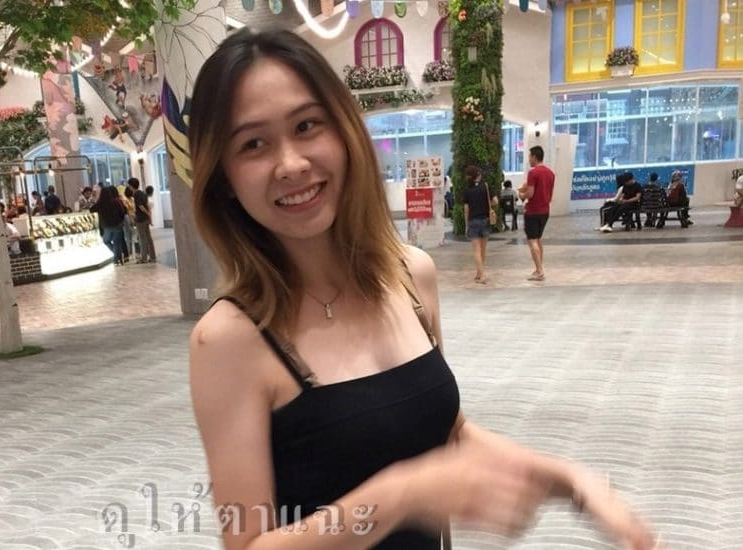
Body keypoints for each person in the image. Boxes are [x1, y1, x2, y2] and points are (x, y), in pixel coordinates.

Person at [188, 28, 656, 550]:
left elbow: (449, 433)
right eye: (253, 144)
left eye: (307, 125)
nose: (291, 163)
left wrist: (571, 482)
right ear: (224, 177)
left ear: (344, 132)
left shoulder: (410, 276)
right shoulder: (229, 338)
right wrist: (401, 495)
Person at [518, 145, 555, 281]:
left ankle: (539, 271)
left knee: (532, 240)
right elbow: (550, 193)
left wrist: (521, 195)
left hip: (533, 211)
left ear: (534, 157)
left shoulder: (533, 173)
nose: (528, 159)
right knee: (538, 239)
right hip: (545, 211)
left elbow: (530, 193)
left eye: (529, 156)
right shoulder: (550, 173)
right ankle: (539, 267)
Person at [462, 165, 491, 284]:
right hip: (486, 220)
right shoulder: (486, 187)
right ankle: (479, 272)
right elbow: (495, 201)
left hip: (473, 221)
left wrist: (466, 225)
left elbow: (466, 209)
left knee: (476, 250)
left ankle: (482, 274)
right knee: (483, 249)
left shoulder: (467, 190)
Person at [90, 185, 127, 265]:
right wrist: (120, 221)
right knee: (117, 243)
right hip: (117, 225)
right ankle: (118, 259)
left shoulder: (100, 204)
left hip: (107, 226)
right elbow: (122, 212)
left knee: (106, 241)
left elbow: (91, 209)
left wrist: (94, 198)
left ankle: (116, 259)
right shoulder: (115, 202)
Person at [129, 177, 155, 263]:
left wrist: (146, 213)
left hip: (140, 219)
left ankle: (144, 258)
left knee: (142, 239)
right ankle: (153, 256)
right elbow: (147, 205)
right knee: (148, 238)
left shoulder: (136, 194)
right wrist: (149, 215)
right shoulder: (143, 193)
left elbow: (141, 206)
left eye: (129, 185)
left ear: (131, 186)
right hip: (146, 219)